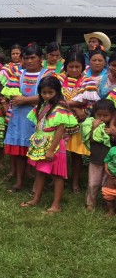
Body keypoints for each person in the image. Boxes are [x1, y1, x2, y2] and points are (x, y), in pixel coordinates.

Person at [20, 76, 78, 213]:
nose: (46, 95)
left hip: (55, 145)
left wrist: (51, 150)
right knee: (40, 172)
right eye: (43, 92)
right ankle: (36, 199)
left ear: (57, 92)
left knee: (57, 175)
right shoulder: (42, 106)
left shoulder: (61, 107)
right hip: (42, 143)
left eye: (50, 93)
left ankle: (56, 205)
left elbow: (60, 130)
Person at [1, 44, 52, 192]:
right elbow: (10, 92)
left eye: (33, 57)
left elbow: (49, 96)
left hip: (39, 118)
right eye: (26, 58)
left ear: (40, 58)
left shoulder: (48, 75)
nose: (29, 61)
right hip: (19, 118)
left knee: (38, 151)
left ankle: (37, 183)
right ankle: (19, 181)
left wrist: (24, 100)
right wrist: (25, 98)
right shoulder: (19, 74)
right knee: (19, 152)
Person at [58, 51, 100, 192]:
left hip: (79, 122)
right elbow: (53, 99)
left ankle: (75, 182)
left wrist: (72, 106)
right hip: (59, 122)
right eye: (71, 66)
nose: (74, 70)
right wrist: (76, 109)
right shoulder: (58, 79)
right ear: (66, 66)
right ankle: (58, 178)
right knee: (59, 152)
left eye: (77, 66)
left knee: (76, 154)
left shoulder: (88, 82)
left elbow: (88, 102)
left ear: (83, 67)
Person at [80, 99, 114, 211]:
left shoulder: (112, 127)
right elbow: (89, 140)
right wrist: (93, 128)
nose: (102, 118)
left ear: (112, 115)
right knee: (93, 182)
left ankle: (107, 203)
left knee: (107, 183)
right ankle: (90, 203)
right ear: (94, 114)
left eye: (106, 115)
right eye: (99, 115)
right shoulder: (90, 123)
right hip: (95, 159)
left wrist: (113, 133)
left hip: (110, 162)